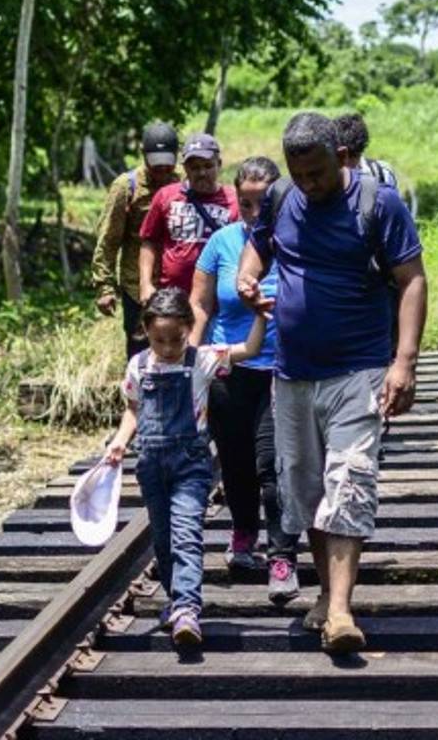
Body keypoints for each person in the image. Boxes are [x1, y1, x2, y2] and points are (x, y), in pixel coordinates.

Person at [237, 112, 427, 654]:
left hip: (358, 368)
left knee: (349, 480)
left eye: (317, 173)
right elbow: (259, 244)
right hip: (293, 373)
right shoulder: (279, 197)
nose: (309, 184)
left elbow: (412, 280)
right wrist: (246, 277)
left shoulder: (377, 204)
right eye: (300, 175)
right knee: (308, 489)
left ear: (339, 158)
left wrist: (404, 362)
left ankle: (340, 609)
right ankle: (326, 593)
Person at [104, 287, 267, 648]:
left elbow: (249, 350)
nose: (167, 348)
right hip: (150, 464)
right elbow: (133, 408)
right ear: (146, 331)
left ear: (190, 329)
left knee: (186, 534)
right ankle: (177, 600)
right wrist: (120, 441)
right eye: (158, 339)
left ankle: (188, 608)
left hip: (191, 464)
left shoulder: (203, 359)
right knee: (162, 540)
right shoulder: (139, 365)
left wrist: (259, 317)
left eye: (175, 339)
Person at [189, 156, 299, 605]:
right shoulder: (221, 243)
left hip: (281, 369)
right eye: (246, 204)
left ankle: (282, 556)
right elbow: (200, 304)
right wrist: (190, 361)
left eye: (262, 203)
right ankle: (242, 534)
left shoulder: (294, 239)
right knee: (234, 466)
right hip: (228, 368)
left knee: (271, 467)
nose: (254, 213)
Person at [91, 122, 180, 359]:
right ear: (144, 156)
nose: (162, 168)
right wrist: (105, 287)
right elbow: (108, 240)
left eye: (167, 161)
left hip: (176, 286)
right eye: (156, 161)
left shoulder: (182, 183)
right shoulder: (126, 187)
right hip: (136, 288)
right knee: (141, 355)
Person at [138, 132, 238, 301]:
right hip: (173, 296)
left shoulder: (235, 201)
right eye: (195, 167)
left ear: (218, 164)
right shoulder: (166, 196)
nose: (202, 173)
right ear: (185, 168)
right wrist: (145, 283)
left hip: (217, 299)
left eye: (208, 166)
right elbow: (149, 241)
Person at [334, 112, 416, 218]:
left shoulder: (381, 172)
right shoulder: (324, 177)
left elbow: (393, 214)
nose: (346, 163)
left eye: (353, 156)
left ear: (361, 151)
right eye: (340, 156)